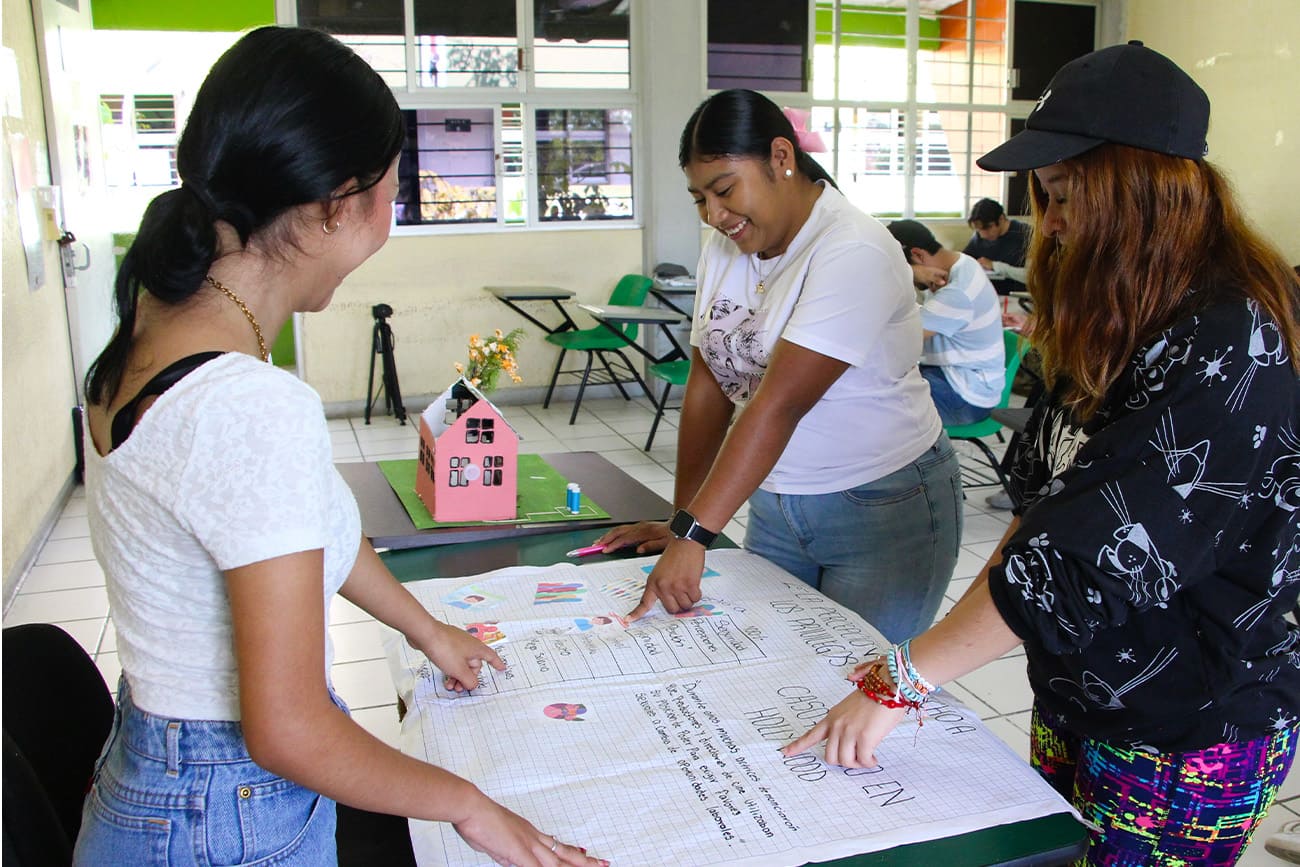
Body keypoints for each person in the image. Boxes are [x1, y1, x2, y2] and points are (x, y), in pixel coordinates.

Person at [74, 27, 607, 867]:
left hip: (159, 776)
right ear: (336, 202)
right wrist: (470, 806)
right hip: (222, 814)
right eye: (393, 193)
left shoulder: (158, 323)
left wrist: (427, 630)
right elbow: (288, 728)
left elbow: (299, 524)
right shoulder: (246, 402)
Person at [783, 41, 1300, 865]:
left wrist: (904, 678)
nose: (1050, 223)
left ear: (1142, 187)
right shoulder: (1119, 315)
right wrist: (920, 660)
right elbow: (1040, 516)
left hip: (1185, 729)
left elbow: (1086, 558)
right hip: (1079, 693)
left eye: (1063, 194)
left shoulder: (1228, 337)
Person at [595, 89, 962, 644]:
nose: (715, 215)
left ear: (781, 158)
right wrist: (683, 519)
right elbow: (708, 382)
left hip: (881, 503)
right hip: (775, 500)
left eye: (724, 190)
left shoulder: (852, 247)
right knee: (773, 663)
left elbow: (779, 404)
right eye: (699, 199)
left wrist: (694, 536)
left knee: (858, 677)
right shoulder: (727, 245)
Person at [886, 219, 1005, 426]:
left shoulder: (957, 292)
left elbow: (895, 337)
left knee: (876, 406)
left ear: (918, 255)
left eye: (900, 269)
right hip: (954, 374)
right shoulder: (963, 262)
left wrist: (906, 274)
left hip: (966, 395)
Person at [962, 197, 1031, 296]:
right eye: (978, 230)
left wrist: (996, 266)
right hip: (987, 296)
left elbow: (1033, 276)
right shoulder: (978, 237)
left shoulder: (1026, 234)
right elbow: (964, 261)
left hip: (1015, 297)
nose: (983, 235)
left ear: (1001, 219)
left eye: (987, 228)